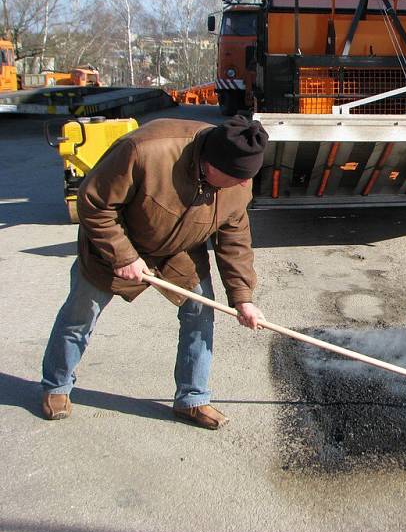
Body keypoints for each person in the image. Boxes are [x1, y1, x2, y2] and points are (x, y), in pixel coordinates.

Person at [40, 115, 269, 430]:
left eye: (247, 178)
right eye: (237, 178)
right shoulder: (145, 150)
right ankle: (57, 385)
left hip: (178, 250)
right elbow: (93, 203)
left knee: (201, 312)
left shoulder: (238, 179)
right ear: (211, 165)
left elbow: (235, 239)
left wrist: (243, 298)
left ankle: (192, 398)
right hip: (118, 242)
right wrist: (123, 255)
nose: (244, 185)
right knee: (81, 314)